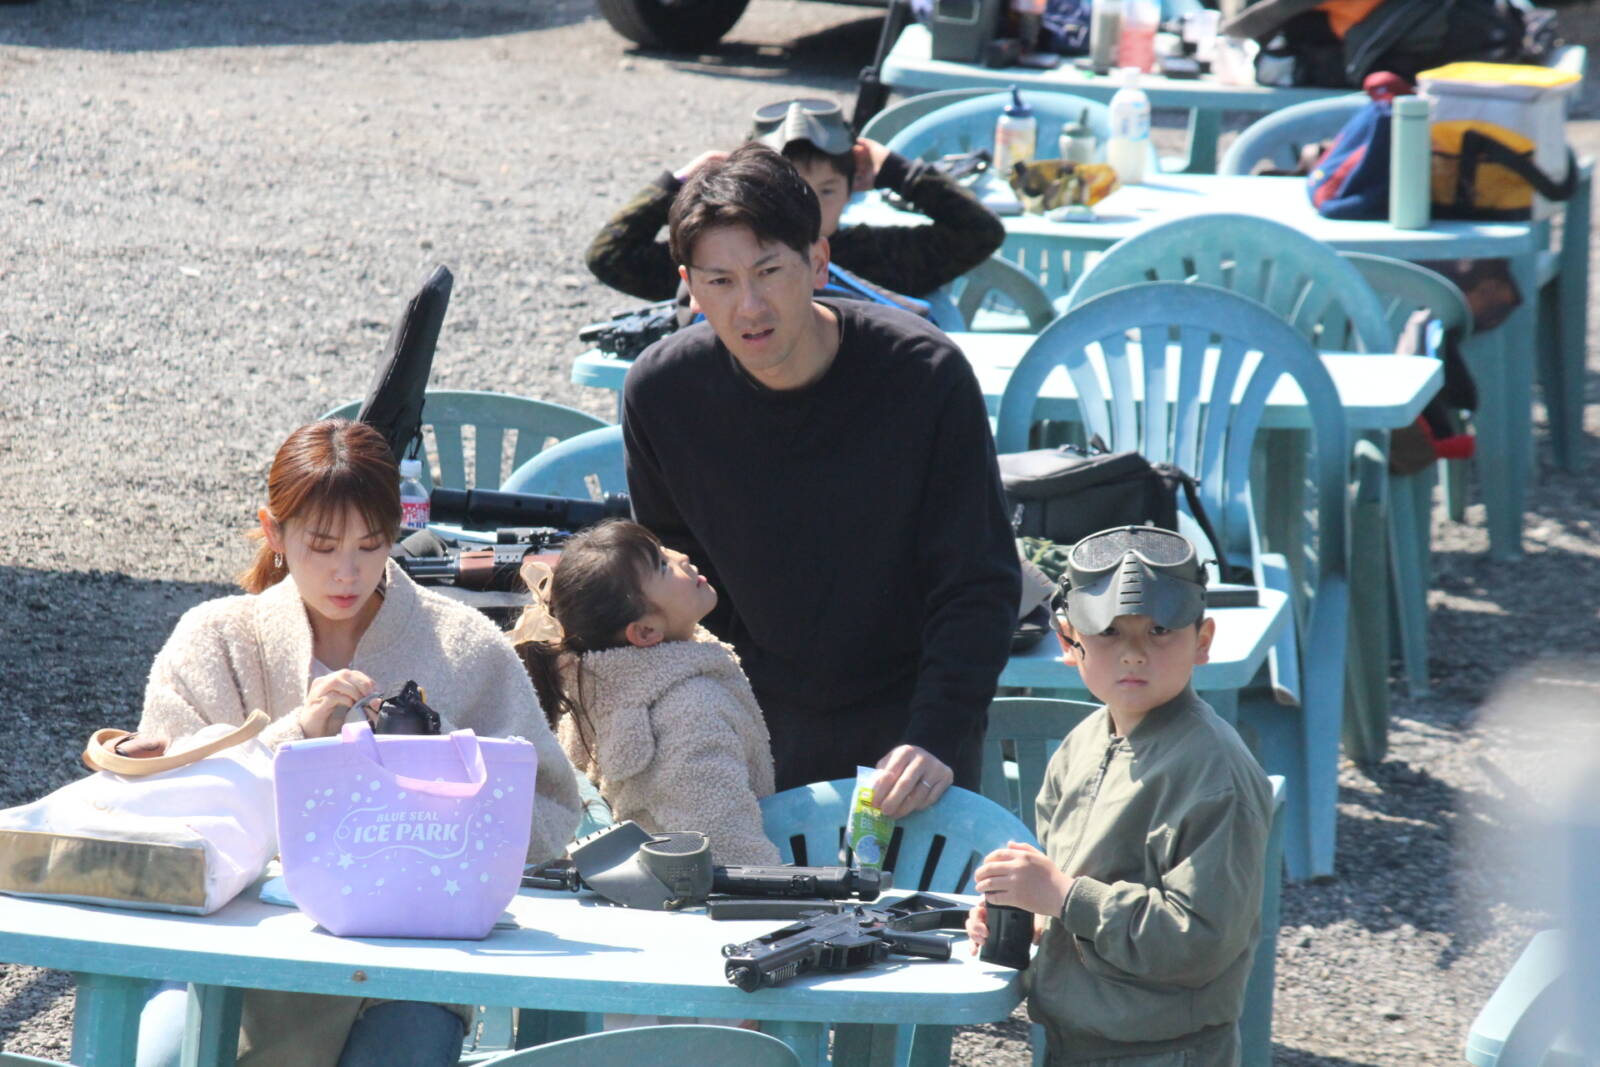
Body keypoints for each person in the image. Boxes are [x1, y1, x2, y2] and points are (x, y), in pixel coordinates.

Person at [129, 418, 581, 1067]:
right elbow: (164, 812)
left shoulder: (465, 646)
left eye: (370, 545)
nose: (347, 572)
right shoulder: (216, 639)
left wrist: (439, 788)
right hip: (230, 956)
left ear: (396, 532)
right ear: (274, 531)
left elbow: (552, 809)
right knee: (167, 1054)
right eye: (321, 546)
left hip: (410, 967)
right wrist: (297, 738)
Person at [621, 143, 1020, 818]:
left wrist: (938, 733)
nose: (750, 306)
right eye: (720, 281)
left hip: (913, 716)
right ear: (688, 285)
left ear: (818, 261)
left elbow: (977, 579)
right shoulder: (661, 392)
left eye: (769, 271)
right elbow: (674, 581)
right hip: (750, 715)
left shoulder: (924, 375)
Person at [965, 526, 1273, 1066]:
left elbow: (1198, 941)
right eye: (1108, 632)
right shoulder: (1081, 745)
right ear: (1069, 643)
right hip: (1072, 1044)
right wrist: (1028, 914)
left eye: (1159, 630)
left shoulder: (1215, 772)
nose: (1134, 654)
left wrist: (1064, 897)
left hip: (1167, 1053)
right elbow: (1072, 897)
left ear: (1202, 641)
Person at [511, 519, 780, 865]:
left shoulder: (595, 684)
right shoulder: (691, 713)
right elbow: (724, 846)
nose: (682, 557)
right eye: (663, 565)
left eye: (663, 549)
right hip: (696, 893)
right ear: (645, 632)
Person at [585, 97, 1005, 307]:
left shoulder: (881, 256)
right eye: (788, 191)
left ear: (854, 187)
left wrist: (897, 172)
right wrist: (678, 184)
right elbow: (609, 256)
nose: (807, 208)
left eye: (826, 191)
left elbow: (981, 232)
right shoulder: (723, 264)